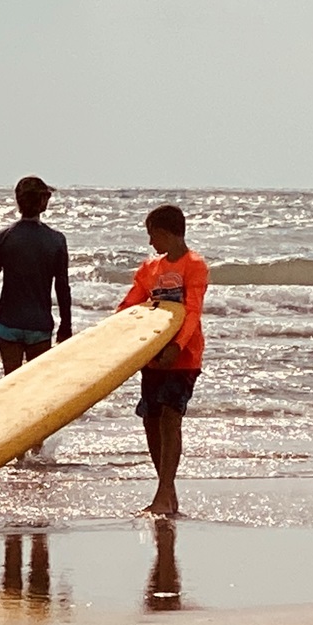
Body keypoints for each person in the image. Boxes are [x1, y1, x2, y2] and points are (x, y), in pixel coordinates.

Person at [118, 203, 207, 519]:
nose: (150, 243)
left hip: (183, 358)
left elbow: (192, 311)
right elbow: (130, 306)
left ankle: (162, 495)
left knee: (171, 418)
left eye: (152, 235)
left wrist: (177, 347)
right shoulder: (149, 269)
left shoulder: (194, 265)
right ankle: (168, 494)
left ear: (166, 233)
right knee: (151, 421)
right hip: (151, 356)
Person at [0, 175, 73, 372]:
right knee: (36, 385)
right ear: (43, 202)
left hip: (9, 323)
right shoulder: (56, 240)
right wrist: (66, 324)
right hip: (40, 325)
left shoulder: (3, 238)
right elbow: (62, 287)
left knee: (11, 381)